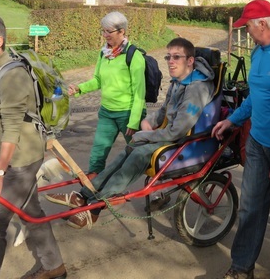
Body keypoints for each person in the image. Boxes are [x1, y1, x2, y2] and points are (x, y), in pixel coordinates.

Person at [46, 38, 214, 229]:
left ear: (190, 61)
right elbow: (163, 112)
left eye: (177, 57)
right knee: (127, 150)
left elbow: (177, 131)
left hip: (183, 142)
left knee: (138, 154)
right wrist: (147, 121)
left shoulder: (197, 89)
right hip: (169, 136)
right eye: (168, 57)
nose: (170, 61)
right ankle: (83, 195)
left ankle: (95, 207)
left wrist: (144, 134)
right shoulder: (178, 81)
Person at [212, 0, 270, 279]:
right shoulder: (258, 52)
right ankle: (241, 268)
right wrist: (232, 120)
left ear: (262, 24)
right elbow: (257, 96)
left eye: (248, 27)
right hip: (257, 143)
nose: (247, 32)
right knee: (251, 209)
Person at [0, 15, 66, 279]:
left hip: (22, 158)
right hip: (8, 158)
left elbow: (11, 127)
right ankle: (54, 266)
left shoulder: (12, 74)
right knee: (30, 211)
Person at [67, 11, 146, 175]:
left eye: (109, 32)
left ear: (121, 31)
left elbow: (140, 92)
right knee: (98, 153)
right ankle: (91, 190)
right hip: (107, 113)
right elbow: (98, 80)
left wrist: (134, 121)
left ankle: (156, 189)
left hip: (128, 114)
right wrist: (80, 88)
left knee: (139, 155)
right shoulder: (104, 53)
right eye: (103, 31)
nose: (105, 35)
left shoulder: (133, 55)